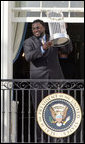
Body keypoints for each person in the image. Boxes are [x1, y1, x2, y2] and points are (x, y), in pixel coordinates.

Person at [23, 19, 73, 142]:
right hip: (38, 82)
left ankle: (56, 138)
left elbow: (67, 50)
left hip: (55, 80)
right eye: (34, 28)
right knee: (40, 111)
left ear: (44, 27)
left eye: (38, 27)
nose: (36, 30)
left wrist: (63, 33)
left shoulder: (53, 38)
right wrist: (42, 48)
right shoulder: (28, 42)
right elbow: (28, 57)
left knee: (58, 110)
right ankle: (41, 139)